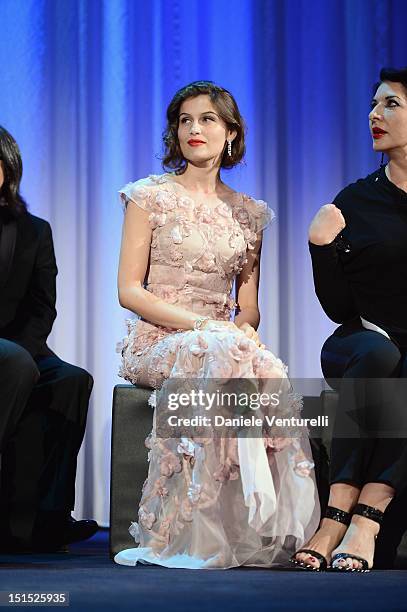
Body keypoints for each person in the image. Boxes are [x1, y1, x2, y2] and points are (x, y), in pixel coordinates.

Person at [114, 81, 320, 569]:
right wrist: (206, 328)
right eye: (185, 120)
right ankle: (185, 529)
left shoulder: (249, 214)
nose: (193, 129)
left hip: (223, 342)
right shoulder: (149, 197)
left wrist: (233, 331)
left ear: (230, 132)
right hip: (156, 340)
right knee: (218, 350)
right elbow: (130, 291)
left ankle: (254, 525)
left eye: (206, 119)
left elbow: (248, 308)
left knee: (266, 365)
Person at [291, 67, 407, 572]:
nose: (373, 115)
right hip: (360, 343)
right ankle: (336, 514)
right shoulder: (355, 200)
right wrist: (322, 248)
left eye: (391, 105)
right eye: (374, 104)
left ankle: (370, 515)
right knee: (383, 354)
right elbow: (339, 309)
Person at [0, 126, 98, 551]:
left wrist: (22, 348)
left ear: (7, 169)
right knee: (15, 364)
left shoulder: (34, 230)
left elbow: (43, 306)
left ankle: (48, 518)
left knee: (72, 379)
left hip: (18, 347)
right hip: (10, 358)